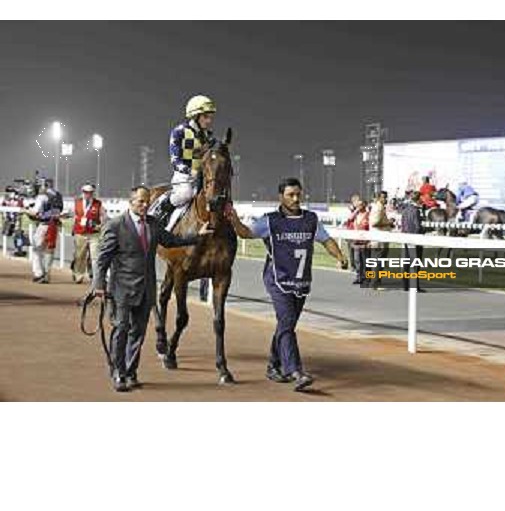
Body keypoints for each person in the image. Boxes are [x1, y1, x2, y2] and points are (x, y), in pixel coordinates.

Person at [227, 177, 348, 392]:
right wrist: (234, 220)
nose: (295, 199)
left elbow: (326, 240)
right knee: (287, 320)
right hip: (277, 279)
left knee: (286, 325)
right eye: (291, 195)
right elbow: (246, 233)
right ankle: (296, 371)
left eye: (298, 195)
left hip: (301, 281)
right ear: (280, 197)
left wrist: (339, 256)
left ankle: (273, 365)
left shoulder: (310, 219)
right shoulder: (270, 220)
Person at [92, 186, 213, 392]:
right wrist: (98, 284)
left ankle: (130, 373)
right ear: (131, 202)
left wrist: (197, 235)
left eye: (147, 201)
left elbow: (173, 240)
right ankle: (118, 372)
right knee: (121, 330)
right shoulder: (115, 225)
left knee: (137, 334)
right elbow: (102, 260)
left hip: (146, 290)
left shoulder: (154, 224)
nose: (145, 204)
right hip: (122, 289)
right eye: (140, 201)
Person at [153, 94, 217, 228]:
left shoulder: (209, 136)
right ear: (196, 116)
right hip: (183, 176)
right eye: (206, 117)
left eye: (210, 117)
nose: (209, 120)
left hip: (203, 177)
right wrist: (189, 171)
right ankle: (161, 207)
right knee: (186, 194)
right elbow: (175, 159)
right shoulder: (179, 132)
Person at [25, 177, 63, 283]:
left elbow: (36, 212)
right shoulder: (58, 195)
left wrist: (26, 210)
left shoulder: (42, 196)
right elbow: (59, 210)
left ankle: (38, 273)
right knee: (49, 250)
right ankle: (47, 274)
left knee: (36, 250)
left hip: (44, 225)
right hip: (54, 226)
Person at [72, 183, 106, 284]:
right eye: (86, 192)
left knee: (95, 256)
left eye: (90, 192)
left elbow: (104, 216)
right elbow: (73, 215)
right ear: (82, 192)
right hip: (80, 233)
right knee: (80, 256)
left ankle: (96, 277)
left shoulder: (98, 204)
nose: (88, 194)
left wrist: (101, 225)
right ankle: (79, 274)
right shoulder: (76, 202)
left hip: (93, 234)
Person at [399, 191, 426, 293]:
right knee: (416, 263)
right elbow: (417, 226)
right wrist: (424, 230)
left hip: (406, 238)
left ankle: (405, 285)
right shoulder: (416, 211)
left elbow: (403, 224)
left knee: (406, 262)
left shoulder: (405, 210)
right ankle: (415, 286)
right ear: (418, 199)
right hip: (415, 239)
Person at [368, 191, 394, 289]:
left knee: (378, 261)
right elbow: (374, 223)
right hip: (379, 239)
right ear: (379, 198)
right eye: (383, 198)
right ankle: (375, 283)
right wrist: (388, 223)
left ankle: (375, 282)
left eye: (386, 197)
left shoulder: (379, 207)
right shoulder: (378, 208)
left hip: (379, 238)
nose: (385, 199)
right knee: (378, 261)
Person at [349, 198, 370, 285]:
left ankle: (366, 278)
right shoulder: (356, 215)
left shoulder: (368, 215)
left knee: (365, 260)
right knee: (357, 260)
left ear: (364, 205)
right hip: (356, 241)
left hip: (365, 241)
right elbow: (349, 219)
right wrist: (356, 211)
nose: (359, 206)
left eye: (360, 205)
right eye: (358, 205)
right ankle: (359, 276)